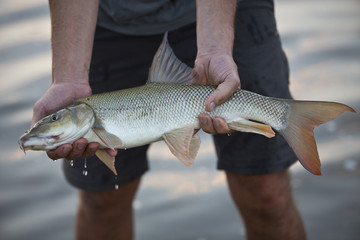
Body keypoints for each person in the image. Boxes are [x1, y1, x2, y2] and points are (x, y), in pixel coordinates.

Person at [32, 0, 306, 239]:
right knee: (102, 201)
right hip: (105, 21)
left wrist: (215, 49)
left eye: (56, 118)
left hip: (227, 9)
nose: (53, 121)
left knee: (268, 193)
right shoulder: (85, 115)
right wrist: (68, 77)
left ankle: (287, 117)